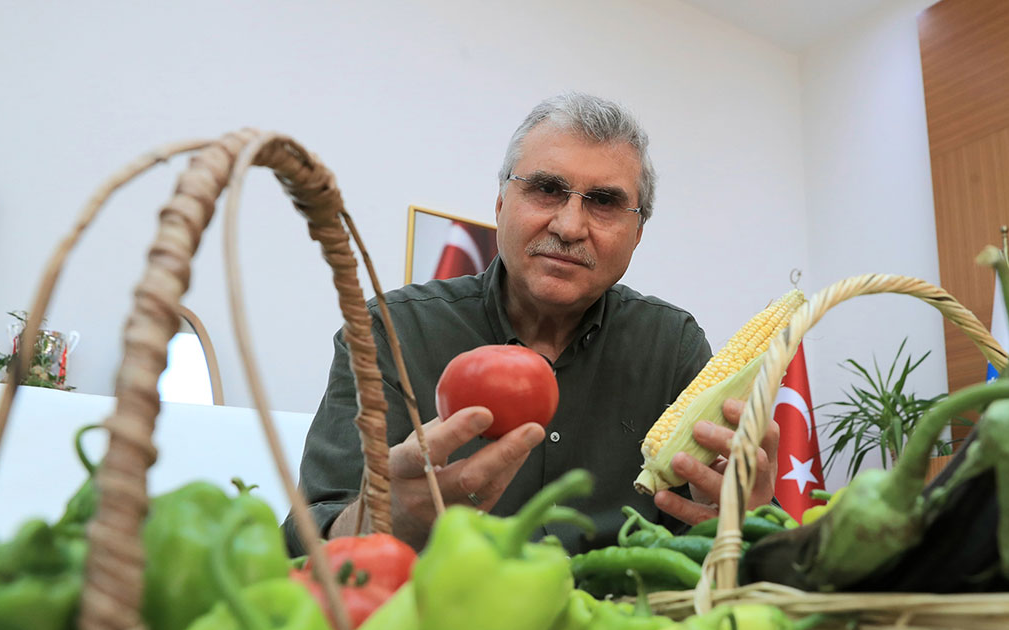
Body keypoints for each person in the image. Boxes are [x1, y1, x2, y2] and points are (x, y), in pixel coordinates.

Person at [284, 92, 778, 556]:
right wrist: (379, 518)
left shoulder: (673, 345)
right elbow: (306, 539)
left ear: (637, 235)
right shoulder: (389, 332)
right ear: (501, 206)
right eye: (545, 189)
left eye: (604, 202)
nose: (568, 226)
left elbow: (728, 537)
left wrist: (740, 513)